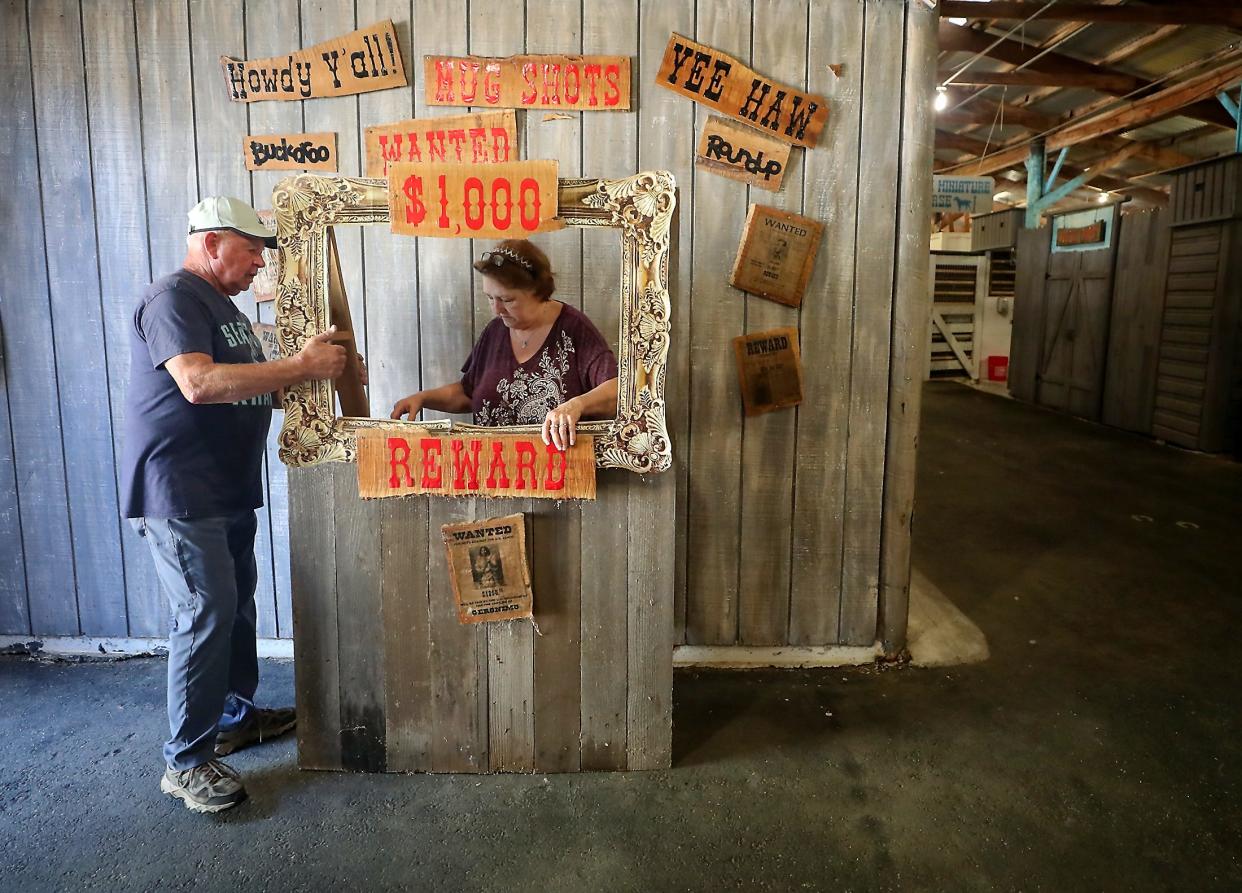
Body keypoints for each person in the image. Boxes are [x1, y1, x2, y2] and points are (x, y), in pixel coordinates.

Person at [120, 196, 349, 813]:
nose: (259, 265)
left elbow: (252, 385)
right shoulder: (174, 297)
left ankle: (233, 718)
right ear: (213, 243)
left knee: (235, 608)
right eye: (252, 251)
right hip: (181, 489)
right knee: (204, 613)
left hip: (223, 487)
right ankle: (187, 763)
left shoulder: (223, 308)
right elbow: (197, 383)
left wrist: (316, 386)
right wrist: (299, 367)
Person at [390, 239, 618, 449]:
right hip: (495, 474)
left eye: (507, 300)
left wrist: (575, 406)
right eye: (490, 298)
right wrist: (423, 398)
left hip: (558, 478)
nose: (496, 309)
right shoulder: (495, 332)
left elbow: (617, 390)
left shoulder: (574, 329)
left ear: (538, 292)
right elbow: (469, 392)